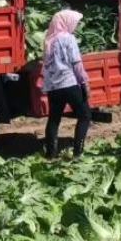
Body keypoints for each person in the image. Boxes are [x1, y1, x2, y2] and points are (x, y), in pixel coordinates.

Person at [41, 8, 91, 160]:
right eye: (74, 23)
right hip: (69, 83)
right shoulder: (68, 38)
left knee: (54, 119)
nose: (75, 26)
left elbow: (46, 65)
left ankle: (51, 154)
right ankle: (78, 152)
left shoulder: (48, 40)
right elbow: (76, 63)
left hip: (53, 87)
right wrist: (84, 82)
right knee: (85, 115)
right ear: (66, 22)